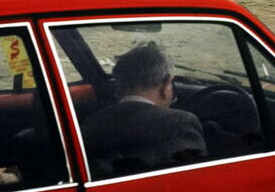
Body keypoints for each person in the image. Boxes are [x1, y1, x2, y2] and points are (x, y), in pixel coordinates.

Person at [82, 42, 206, 176]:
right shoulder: (180, 123)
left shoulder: (93, 121)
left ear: (118, 86)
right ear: (165, 85)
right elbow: (196, 178)